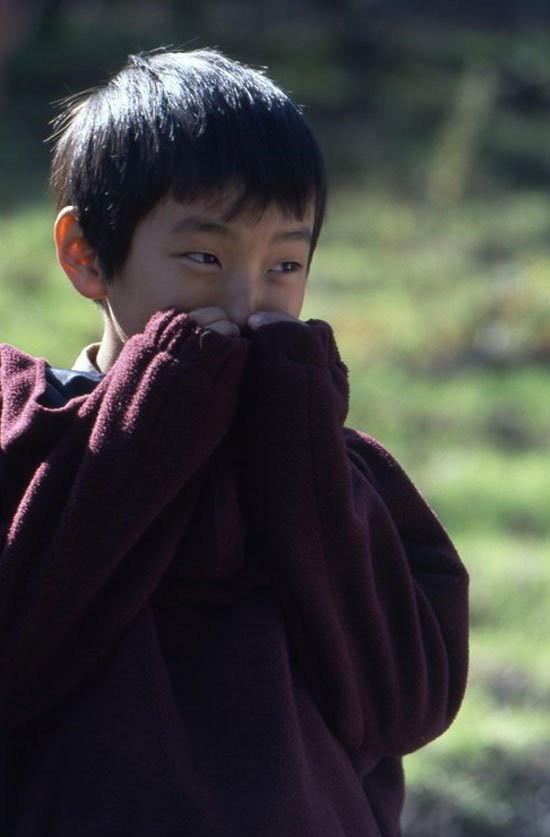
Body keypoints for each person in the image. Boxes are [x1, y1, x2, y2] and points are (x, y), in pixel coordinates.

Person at [0, 48, 468, 836]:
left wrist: (301, 454)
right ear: (86, 254)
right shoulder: (29, 432)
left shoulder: (338, 466)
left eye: (285, 263)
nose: (247, 303)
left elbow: (403, 707)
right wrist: (152, 425)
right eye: (204, 258)